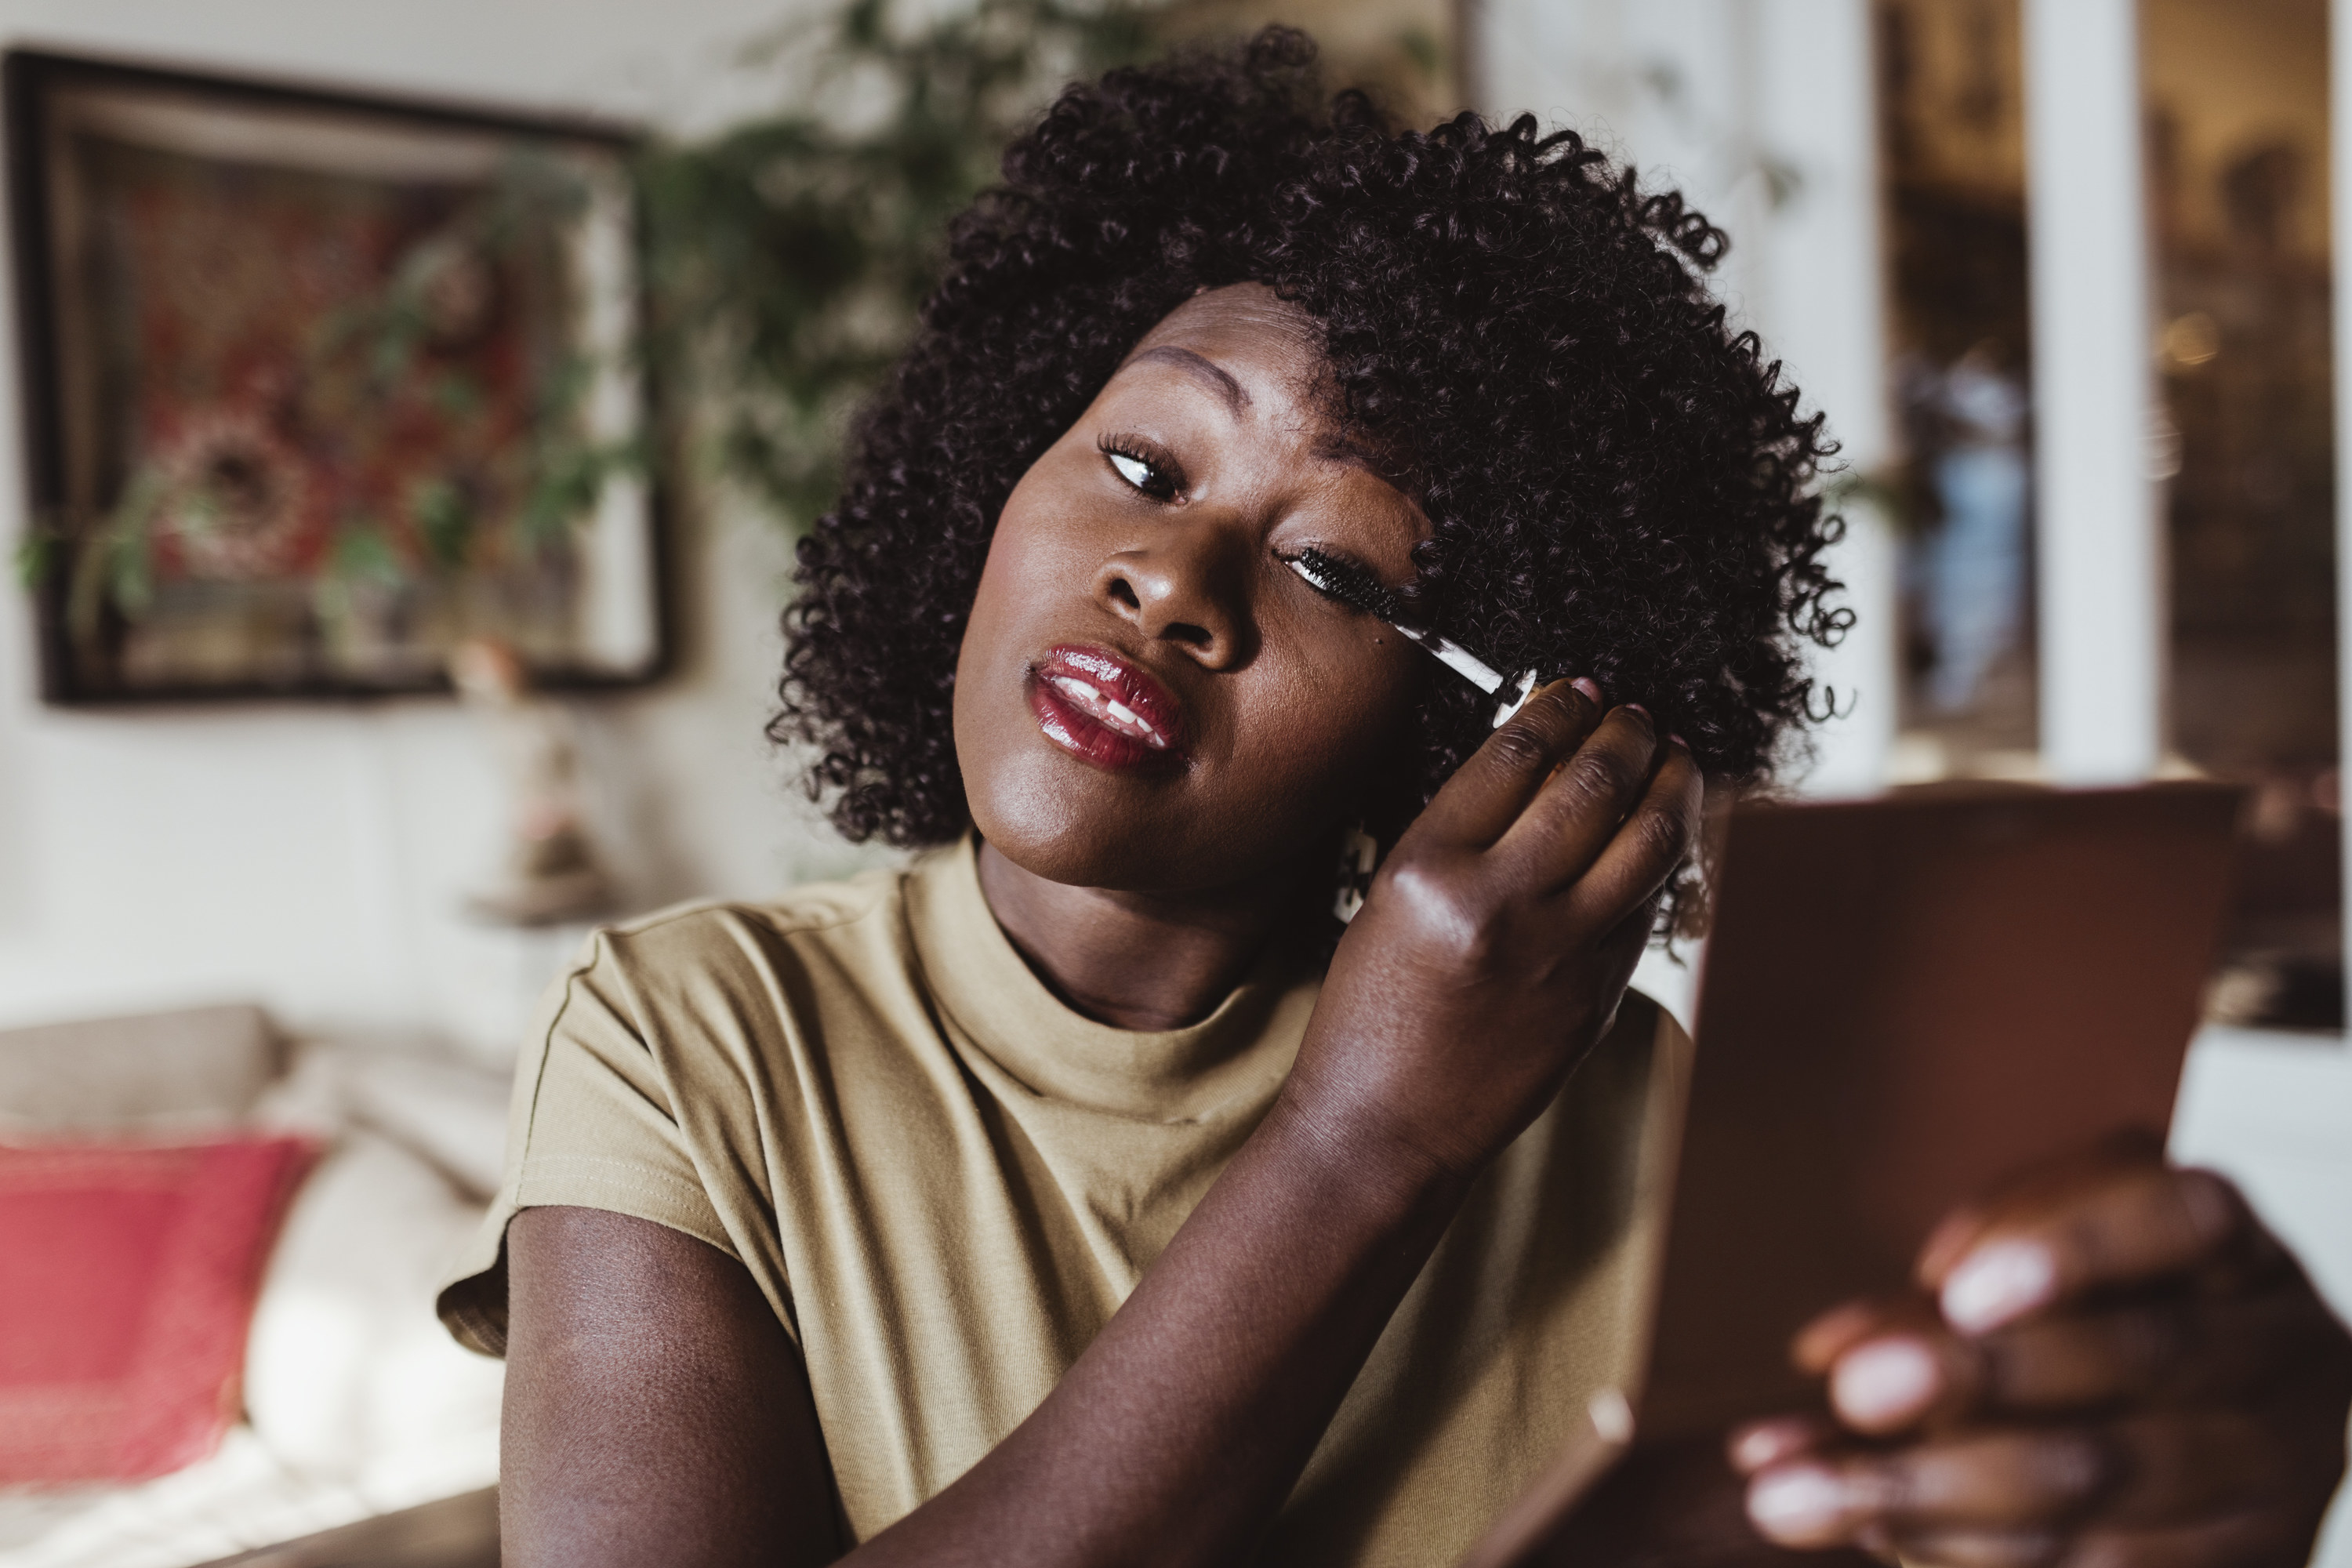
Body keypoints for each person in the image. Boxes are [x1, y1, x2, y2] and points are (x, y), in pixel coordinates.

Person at [437, 31, 2352, 1568]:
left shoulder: (1640, 1127)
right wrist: (1363, 1141)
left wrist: (2191, 1491)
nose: (1171, 583)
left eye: (1340, 574)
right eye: (1136, 456)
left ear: (1486, 723)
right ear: (983, 477)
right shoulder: (689, 1043)